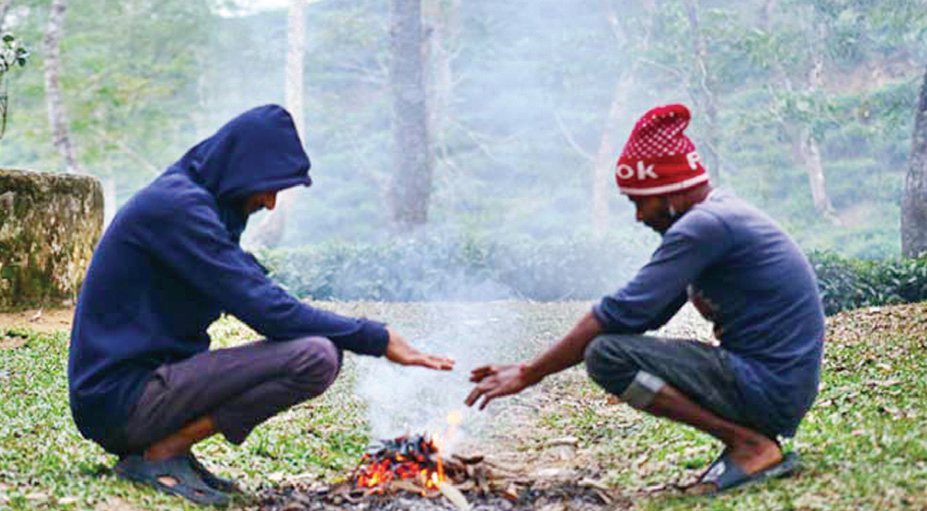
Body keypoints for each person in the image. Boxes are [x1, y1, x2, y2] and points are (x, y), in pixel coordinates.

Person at [68, 105, 454, 506]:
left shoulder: (202, 204)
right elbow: (270, 312)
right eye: (269, 187)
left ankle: (172, 449)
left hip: (141, 390)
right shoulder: (178, 209)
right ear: (240, 168)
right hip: (120, 400)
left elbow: (258, 294)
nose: (270, 203)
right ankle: (160, 454)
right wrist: (377, 336)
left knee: (318, 352)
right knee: (314, 356)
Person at [466, 104, 824, 495]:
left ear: (671, 194)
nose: (638, 216)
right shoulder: (714, 218)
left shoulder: (704, 225)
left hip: (768, 385)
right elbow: (642, 314)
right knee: (610, 347)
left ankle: (749, 445)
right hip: (777, 385)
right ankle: (747, 440)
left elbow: (615, 315)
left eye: (641, 201)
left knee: (607, 355)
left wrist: (528, 373)